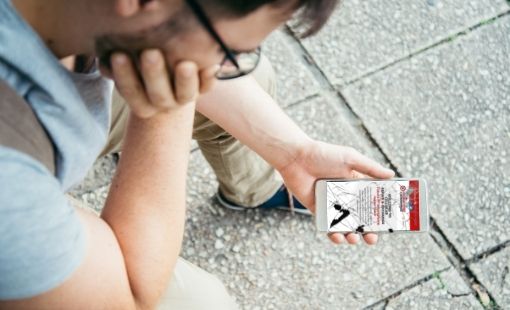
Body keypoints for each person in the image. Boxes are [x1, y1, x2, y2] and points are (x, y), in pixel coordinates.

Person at [0, 0, 395, 308]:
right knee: (204, 302)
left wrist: (295, 153)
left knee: (250, 80)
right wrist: (164, 103)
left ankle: (254, 190)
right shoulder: (11, 182)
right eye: (226, 49)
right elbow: (132, 294)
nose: (223, 65)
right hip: (20, 188)